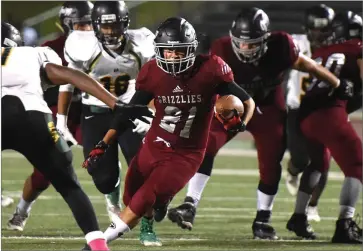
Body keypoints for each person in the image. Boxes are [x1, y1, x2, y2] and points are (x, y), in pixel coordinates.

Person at [168, 7, 349, 240]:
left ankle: (263, 219)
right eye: (241, 43)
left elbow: (309, 66)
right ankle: (190, 205)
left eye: (252, 44)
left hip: (268, 106)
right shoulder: (222, 49)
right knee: (207, 144)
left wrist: (336, 83)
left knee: (271, 161)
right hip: (232, 105)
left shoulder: (281, 46)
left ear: (265, 40)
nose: (245, 48)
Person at [82, 16, 255, 245]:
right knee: (131, 196)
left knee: (143, 199)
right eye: (168, 51)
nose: (173, 56)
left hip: (187, 152)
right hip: (154, 144)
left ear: (191, 50)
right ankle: (158, 205)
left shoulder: (210, 68)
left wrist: (240, 124)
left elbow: (247, 101)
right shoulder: (152, 71)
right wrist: (103, 145)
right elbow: (128, 112)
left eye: (179, 51)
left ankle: (98, 244)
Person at [1, 22, 152, 251]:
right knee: (69, 184)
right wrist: (115, 104)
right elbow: (66, 73)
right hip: (34, 118)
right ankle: (98, 244)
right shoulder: (31, 53)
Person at [57, 1, 160, 246]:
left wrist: (154, 113)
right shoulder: (81, 45)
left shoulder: (142, 42)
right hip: (97, 112)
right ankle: (112, 194)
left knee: (145, 170)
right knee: (102, 177)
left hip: (134, 110)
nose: (111, 31)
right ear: (94, 26)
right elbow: (68, 80)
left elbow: (157, 81)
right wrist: (61, 119)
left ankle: (147, 225)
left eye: (115, 25)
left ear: (125, 23)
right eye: (105, 26)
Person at [7, 1, 94, 232]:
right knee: (46, 174)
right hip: (54, 110)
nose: (87, 30)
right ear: (67, 25)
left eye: (90, 24)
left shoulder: (104, 46)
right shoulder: (50, 48)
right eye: (81, 25)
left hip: (89, 110)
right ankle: (22, 209)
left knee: (102, 158)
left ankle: (115, 208)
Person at [286, 11, 362, 244]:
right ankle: (344, 224)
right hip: (328, 112)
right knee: (358, 164)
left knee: (318, 164)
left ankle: (299, 216)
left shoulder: (322, 52)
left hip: (305, 114)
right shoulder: (357, 47)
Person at [284, 4, 335, 222]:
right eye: (314, 29)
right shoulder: (295, 42)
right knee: (300, 159)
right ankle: (293, 172)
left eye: (322, 29)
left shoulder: (338, 48)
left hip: (325, 111)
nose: (318, 34)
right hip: (297, 109)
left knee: (322, 161)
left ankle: (312, 206)